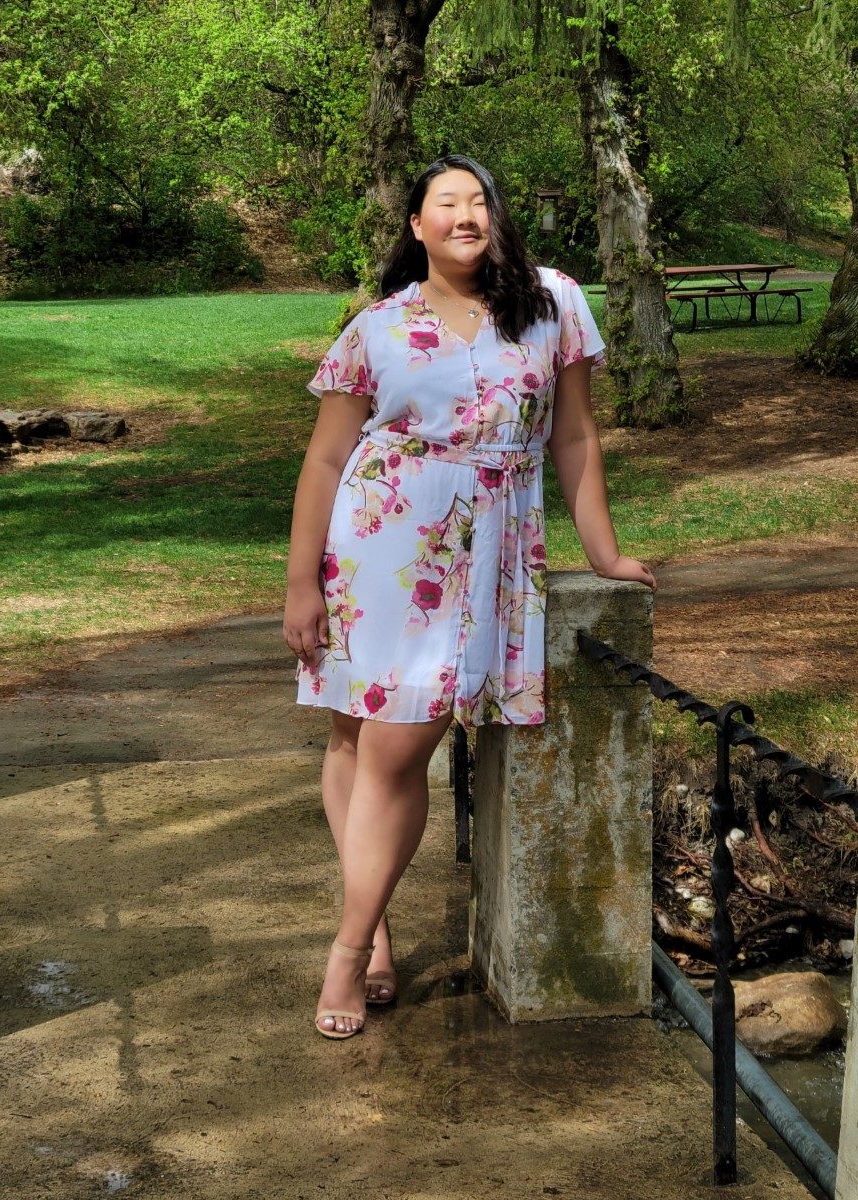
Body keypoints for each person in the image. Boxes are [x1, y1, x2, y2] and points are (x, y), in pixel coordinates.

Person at [283, 153, 656, 1041]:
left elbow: (573, 435)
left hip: (484, 553)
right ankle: (367, 935)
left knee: (397, 749)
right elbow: (327, 460)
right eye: (444, 203)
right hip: (376, 546)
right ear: (415, 227)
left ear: (497, 215)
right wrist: (302, 582)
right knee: (353, 730)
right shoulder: (376, 327)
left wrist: (602, 552)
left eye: (478, 199)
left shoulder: (554, 302)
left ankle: (346, 943)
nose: (464, 214)